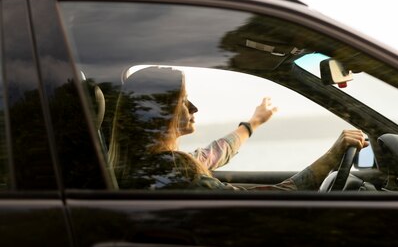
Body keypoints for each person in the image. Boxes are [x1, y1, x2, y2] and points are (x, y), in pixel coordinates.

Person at [108, 66, 368, 191]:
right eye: (183, 101)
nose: (193, 108)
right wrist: (331, 157)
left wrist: (253, 123)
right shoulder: (173, 172)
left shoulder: (147, 163)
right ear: (160, 115)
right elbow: (265, 201)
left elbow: (211, 154)